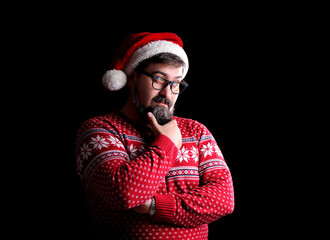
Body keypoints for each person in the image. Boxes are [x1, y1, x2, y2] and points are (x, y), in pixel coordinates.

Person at [75, 32, 235, 239]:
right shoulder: (99, 130)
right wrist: (167, 144)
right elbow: (125, 194)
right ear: (132, 77)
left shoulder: (196, 132)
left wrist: (153, 207)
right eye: (159, 79)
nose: (167, 93)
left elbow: (223, 200)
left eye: (176, 83)